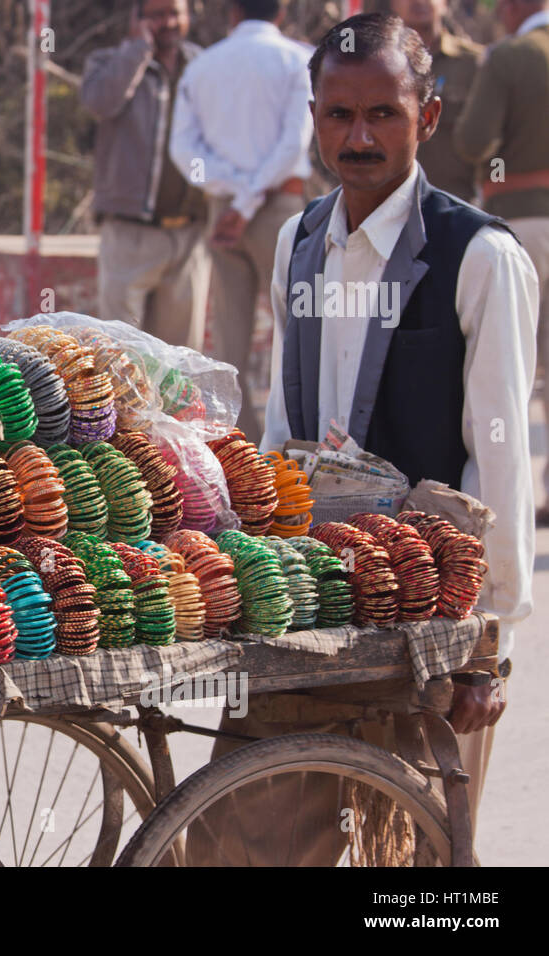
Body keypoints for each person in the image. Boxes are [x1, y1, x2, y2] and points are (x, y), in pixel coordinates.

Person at [193, 12, 537, 864]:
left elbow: (500, 457)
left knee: (415, 866)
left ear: (429, 116)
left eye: (383, 113)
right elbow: (283, 428)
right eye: (337, 114)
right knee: (238, 838)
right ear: (312, 116)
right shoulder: (299, 242)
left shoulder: (479, 257)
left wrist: (488, 647)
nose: (358, 137)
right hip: (313, 606)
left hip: (431, 621)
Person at [169, 0, 312, 441]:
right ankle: (296, 446)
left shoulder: (203, 67)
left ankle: (243, 451)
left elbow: (184, 152)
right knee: (301, 333)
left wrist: (230, 192)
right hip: (280, 210)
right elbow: (294, 145)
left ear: (231, 13)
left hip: (223, 215)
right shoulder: (299, 60)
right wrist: (249, 199)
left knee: (230, 343)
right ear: (281, 12)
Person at [454, 0, 549, 523]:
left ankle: (510, 508)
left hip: (523, 221)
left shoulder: (512, 57)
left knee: (511, 369)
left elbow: (472, 142)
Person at [81, 0, 210, 350]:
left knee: (180, 361)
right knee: (121, 356)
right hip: (128, 233)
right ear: (136, 19)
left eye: (174, 13)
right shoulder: (110, 63)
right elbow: (99, 103)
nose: (167, 22)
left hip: (188, 234)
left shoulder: (203, 67)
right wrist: (138, 50)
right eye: (156, 14)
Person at [391, 0, 485, 202]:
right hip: (392, 204)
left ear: (446, 3)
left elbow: (495, 140)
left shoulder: (475, 63)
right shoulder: (378, 65)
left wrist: (495, 186)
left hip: (459, 204)